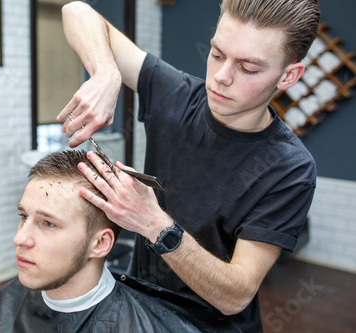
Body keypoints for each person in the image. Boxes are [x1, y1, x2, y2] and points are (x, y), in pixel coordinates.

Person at [57, 0, 320, 331]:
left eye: (248, 68)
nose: (221, 78)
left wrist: (153, 223)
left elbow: (235, 295)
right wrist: (106, 71)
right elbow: (76, 11)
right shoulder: (175, 96)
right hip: (140, 314)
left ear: (289, 75)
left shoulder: (290, 168)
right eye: (217, 54)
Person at [0, 150, 232, 332]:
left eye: (48, 223)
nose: (19, 238)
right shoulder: (8, 302)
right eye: (24, 216)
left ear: (100, 243)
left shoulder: (136, 323)